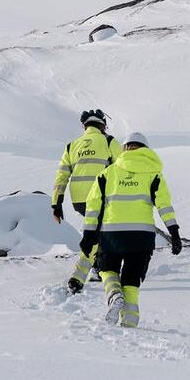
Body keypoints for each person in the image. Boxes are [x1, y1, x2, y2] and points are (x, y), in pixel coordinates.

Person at [84, 131, 181, 328]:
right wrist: (174, 233)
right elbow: (164, 206)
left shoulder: (108, 173)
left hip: (111, 234)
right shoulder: (154, 173)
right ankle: (130, 320)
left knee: (106, 268)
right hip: (141, 236)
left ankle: (114, 294)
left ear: (125, 148)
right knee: (131, 278)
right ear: (145, 148)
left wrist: (88, 234)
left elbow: (93, 205)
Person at [52, 109, 123, 293]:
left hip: (79, 200)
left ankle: (97, 267)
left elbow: (61, 176)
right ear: (102, 126)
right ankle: (93, 269)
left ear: (85, 126)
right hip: (102, 196)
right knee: (102, 232)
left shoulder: (72, 146)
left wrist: (56, 203)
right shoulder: (109, 142)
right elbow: (123, 167)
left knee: (96, 230)